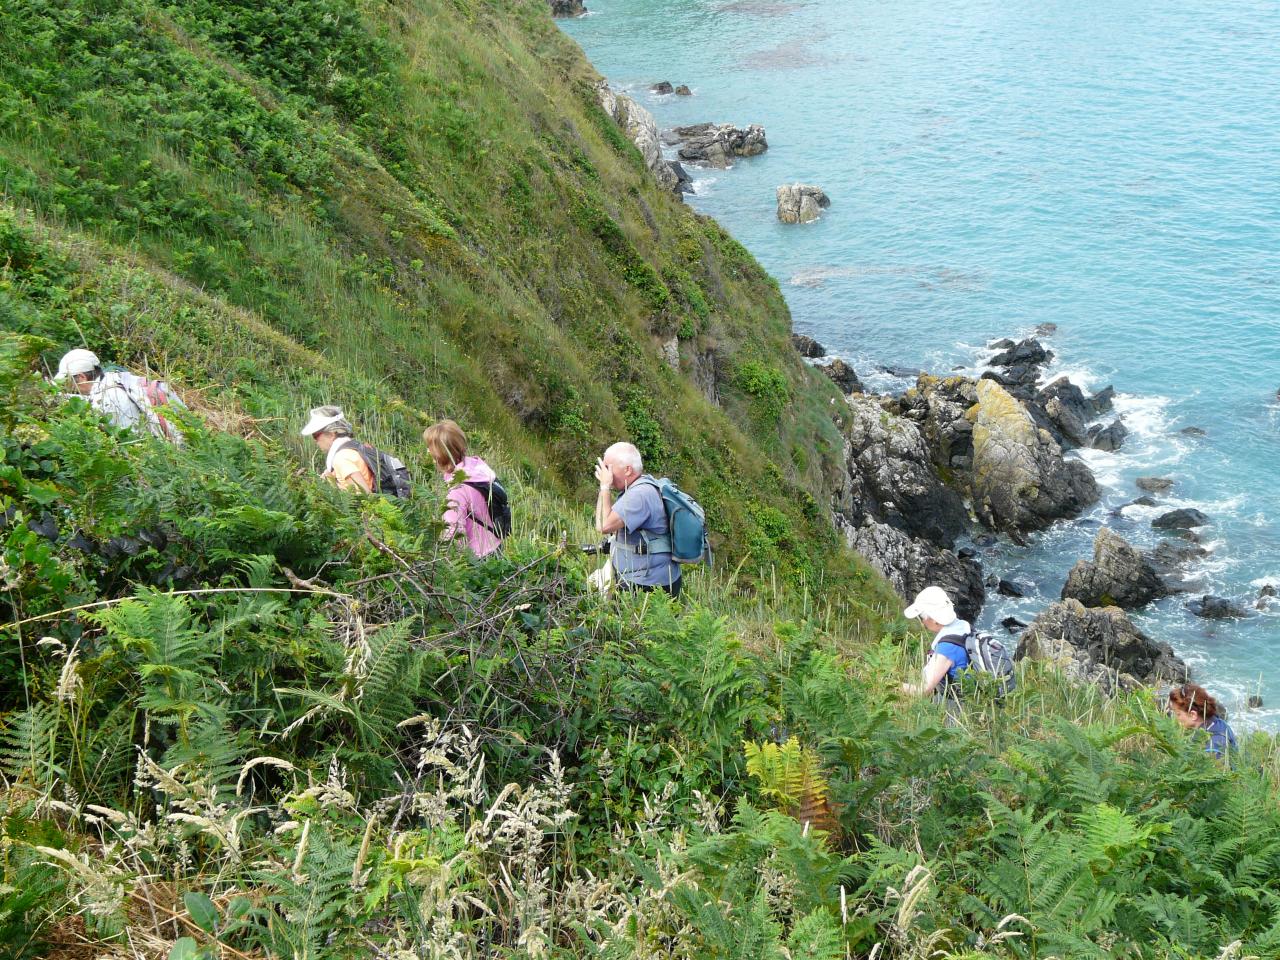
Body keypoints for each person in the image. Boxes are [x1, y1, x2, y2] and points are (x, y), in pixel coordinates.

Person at [594, 442, 681, 596]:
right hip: (649, 577)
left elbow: (603, 525)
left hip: (648, 585)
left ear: (627, 470)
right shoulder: (642, 485)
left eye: (609, 467)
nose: (606, 473)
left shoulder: (639, 495)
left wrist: (604, 487)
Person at [53, 348, 184, 441]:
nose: (69, 387)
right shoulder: (116, 378)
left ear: (81, 377)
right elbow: (89, 400)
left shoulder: (108, 400)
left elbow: (134, 440)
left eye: (69, 381)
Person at [423, 419, 503, 558]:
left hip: (478, 558)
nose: (428, 451)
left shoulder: (458, 490)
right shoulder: (478, 468)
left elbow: (452, 535)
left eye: (430, 447)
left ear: (440, 455)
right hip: (496, 545)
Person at [900, 585, 970, 699]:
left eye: (921, 617)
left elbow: (922, 690)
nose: (922, 622)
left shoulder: (947, 648)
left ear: (934, 619)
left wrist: (890, 685)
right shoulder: (963, 626)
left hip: (959, 705)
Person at [299, 406, 376, 494]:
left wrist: (332, 484)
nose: (315, 440)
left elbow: (365, 495)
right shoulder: (352, 448)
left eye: (316, 435)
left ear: (331, 435)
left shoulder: (342, 458)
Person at [1168, 682, 1238, 760]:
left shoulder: (1213, 746)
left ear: (1193, 715)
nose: (1176, 718)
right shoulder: (1218, 722)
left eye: (1178, 714)